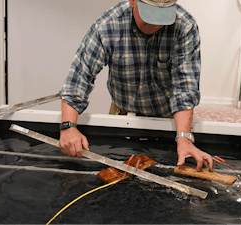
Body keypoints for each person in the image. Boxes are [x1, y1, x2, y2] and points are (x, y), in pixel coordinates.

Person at [58, 0, 213, 171]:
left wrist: (184, 137)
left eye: (162, 17)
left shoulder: (185, 26)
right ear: (133, 1)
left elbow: (185, 88)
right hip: (123, 112)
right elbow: (79, 76)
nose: (155, 23)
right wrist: (68, 126)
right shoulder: (108, 25)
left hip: (169, 117)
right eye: (149, 16)